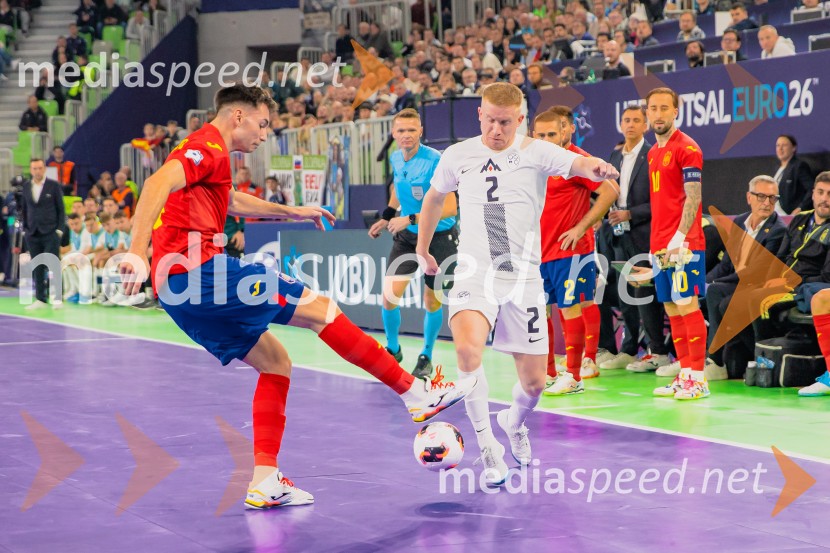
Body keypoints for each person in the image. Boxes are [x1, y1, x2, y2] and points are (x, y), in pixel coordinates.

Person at [119, 83, 474, 509]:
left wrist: (292, 211)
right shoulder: (206, 146)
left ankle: (265, 478)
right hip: (199, 271)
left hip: (177, 292)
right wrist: (137, 252)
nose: (265, 134)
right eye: (263, 124)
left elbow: (227, 200)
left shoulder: (215, 159)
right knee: (321, 310)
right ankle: (414, 394)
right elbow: (157, 182)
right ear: (238, 116)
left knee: (276, 363)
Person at [416, 82, 619, 485]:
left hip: (523, 276)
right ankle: (488, 447)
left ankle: (513, 421)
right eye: (490, 120)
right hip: (475, 271)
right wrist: (423, 249)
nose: (496, 129)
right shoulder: (458, 155)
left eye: (505, 122)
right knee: (468, 351)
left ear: (520, 120)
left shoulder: (535, 151)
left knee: (534, 382)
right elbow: (435, 198)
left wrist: (595, 165)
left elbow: (578, 164)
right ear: (479, 114)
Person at [368, 108, 459, 379]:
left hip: (439, 239)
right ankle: (393, 349)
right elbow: (399, 188)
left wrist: (408, 218)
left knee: (431, 301)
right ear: (393, 134)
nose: (406, 135)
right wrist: (386, 216)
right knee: (389, 296)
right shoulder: (397, 158)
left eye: (411, 130)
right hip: (407, 238)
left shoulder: (435, 160)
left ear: (421, 131)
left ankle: (426, 355)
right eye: (401, 131)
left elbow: (451, 207)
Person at [631, 87, 709, 401]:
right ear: (647, 112)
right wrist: (656, 245)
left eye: (665, 108)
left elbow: (694, 197)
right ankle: (685, 374)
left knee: (688, 306)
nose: (659, 114)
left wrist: (679, 238)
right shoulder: (651, 153)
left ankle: (699, 379)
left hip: (685, 243)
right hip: (660, 244)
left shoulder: (687, 148)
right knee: (672, 308)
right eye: (653, 108)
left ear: (676, 111)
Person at [535, 106, 619, 396]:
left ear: (564, 131)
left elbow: (610, 191)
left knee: (574, 306)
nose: (545, 139)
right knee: (541, 309)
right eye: (539, 135)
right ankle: (547, 371)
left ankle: (575, 373)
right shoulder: (536, 163)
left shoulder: (576, 160)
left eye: (550, 134)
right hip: (540, 252)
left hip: (571, 250)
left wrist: (582, 227)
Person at [598, 105, 672, 373]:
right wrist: (605, 213)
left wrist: (631, 213)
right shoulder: (614, 157)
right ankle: (628, 349)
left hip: (645, 234)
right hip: (617, 235)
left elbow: (662, 200)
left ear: (645, 125)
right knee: (623, 290)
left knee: (644, 292)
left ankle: (657, 350)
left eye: (636, 120)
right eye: (626, 120)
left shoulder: (654, 156)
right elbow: (606, 193)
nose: (630, 124)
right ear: (620, 124)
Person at [705, 175, 785, 379]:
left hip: (759, 285)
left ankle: (719, 359)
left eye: (772, 198)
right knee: (711, 291)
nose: (767, 203)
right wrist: (704, 283)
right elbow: (726, 265)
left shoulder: (778, 230)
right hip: (737, 282)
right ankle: (715, 360)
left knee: (723, 300)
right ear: (749, 197)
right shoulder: (740, 222)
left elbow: (757, 272)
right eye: (761, 196)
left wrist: (716, 282)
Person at [20, 158, 65, 310]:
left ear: (44, 169)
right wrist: (25, 229)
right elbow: (24, 209)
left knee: (53, 264)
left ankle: (58, 297)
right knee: (37, 266)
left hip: (50, 231)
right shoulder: (26, 187)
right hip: (32, 232)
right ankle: (40, 298)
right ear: (31, 170)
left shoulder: (53, 186)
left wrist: (59, 230)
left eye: (40, 168)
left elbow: (61, 209)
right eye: (34, 168)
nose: (37, 171)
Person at [773, 134, 813, 216]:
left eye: (784, 145)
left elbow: (812, 189)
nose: (780, 149)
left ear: (793, 148)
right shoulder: (778, 168)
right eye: (778, 145)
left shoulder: (799, 166)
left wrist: (800, 207)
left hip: (790, 216)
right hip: (776, 215)